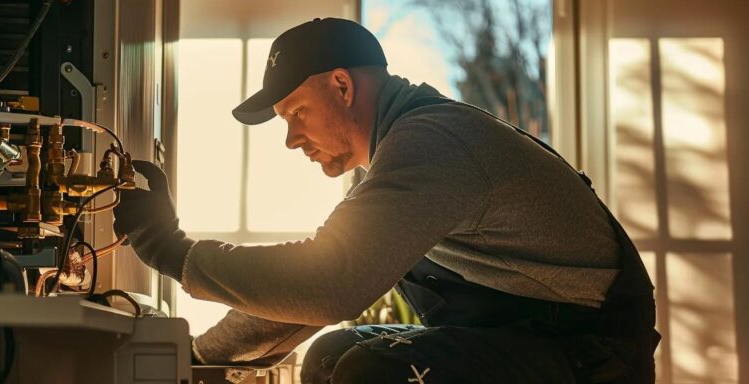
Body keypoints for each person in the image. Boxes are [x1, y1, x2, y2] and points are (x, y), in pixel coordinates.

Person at [113, 18, 659, 384]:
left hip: (591, 358)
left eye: (295, 114)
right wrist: (197, 360)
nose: (291, 139)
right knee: (331, 356)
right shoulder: (401, 156)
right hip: (526, 338)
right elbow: (304, 303)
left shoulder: (432, 144)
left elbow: (329, 284)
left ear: (343, 87)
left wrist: (172, 250)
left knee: (369, 372)